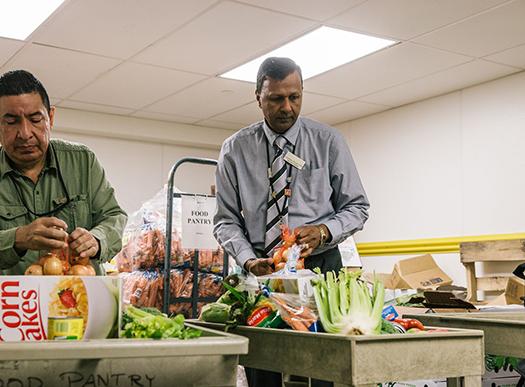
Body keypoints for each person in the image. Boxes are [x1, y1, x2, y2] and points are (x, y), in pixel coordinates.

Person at [214, 57, 370, 387]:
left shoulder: (328, 142)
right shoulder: (235, 149)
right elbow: (226, 220)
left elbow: (357, 207)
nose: (287, 107)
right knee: (264, 367)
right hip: (263, 272)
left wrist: (325, 230)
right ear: (258, 97)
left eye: (294, 97)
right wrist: (247, 258)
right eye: (275, 98)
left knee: (324, 368)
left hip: (321, 270)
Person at [0, 70, 127, 274]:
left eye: (35, 119)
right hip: (14, 304)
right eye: (11, 121)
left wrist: (97, 239)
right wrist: (17, 238)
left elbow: (114, 215)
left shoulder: (82, 160)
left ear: (50, 117)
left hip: (80, 299)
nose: (25, 133)